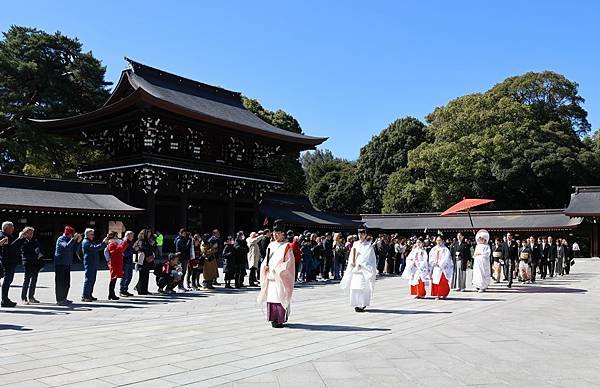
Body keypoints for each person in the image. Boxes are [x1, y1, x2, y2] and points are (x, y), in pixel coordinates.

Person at [257, 219, 295, 328]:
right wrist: (265, 267)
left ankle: (280, 319)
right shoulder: (271, 245)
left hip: (280, 277)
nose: (275, 235)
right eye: (274, 233)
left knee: (280, 298)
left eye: (278, 233)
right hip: (270, 277)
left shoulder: (287, 246)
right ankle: (273, 318)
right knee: (271, 299)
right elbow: (266, 260)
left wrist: (277, 269)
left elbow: (289, 263)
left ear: (283, 234)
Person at [340, 228, 377, 312]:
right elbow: (352, 255)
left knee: (362, 287)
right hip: (355, 269)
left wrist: (363, 265)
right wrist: (352, 263)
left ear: (365, 235)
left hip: (364, 270)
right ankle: (356, 304)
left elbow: (370, 259)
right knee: (355, 287)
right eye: (359, 234)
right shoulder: (355, 244)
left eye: (362, 234)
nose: (360, 236)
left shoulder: (369, 245)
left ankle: (362, 304)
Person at [54, 226, 82, 305]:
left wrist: (78, 242)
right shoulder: (61, 239)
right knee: (60, 282)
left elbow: (74, 249)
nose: (72, 236)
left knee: (67, 282)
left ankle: (64, 298)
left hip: (67, 263)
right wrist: (73, 239)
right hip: (60, 263)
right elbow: (66, 247)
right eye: (71, 234)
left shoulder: (70, 239)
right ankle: (59, 300)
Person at [1, 221, 25, 307]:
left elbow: (16, 246)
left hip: (11, 261)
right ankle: (4, 300)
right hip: (7, 261)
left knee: (9, 280)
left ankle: (5, 299)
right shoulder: (2, 235)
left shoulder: (9, 235)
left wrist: (22, 239)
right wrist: (19, 238)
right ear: (6, 228)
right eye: (12, 227)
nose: (13, 229)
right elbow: (10, 247)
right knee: (7, 280)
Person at [81, 228, 109, 302]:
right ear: (87, 234)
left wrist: (103, 243)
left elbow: (97, 247)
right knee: (88, 279)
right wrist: (103, 243)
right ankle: (85, 295)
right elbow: (95, 248)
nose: (93, 236)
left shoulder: (90, 241)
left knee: (92, 279)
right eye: (92, 234)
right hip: (89, 263)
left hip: (93, 263)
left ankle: (89, 294)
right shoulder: (86, 242)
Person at [20, 226, 44, 304]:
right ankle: (24, 298)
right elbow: (25, 253)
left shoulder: (35, 241)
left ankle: (31, 297)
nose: (31, 235)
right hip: (28, 263)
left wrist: (40, 254)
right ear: (25, 233)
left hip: (35, 263)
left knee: (34, 281)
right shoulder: (23, 241)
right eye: (29, 233)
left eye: (32, 233)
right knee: (26, 281)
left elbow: (40, 249)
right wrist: (36, 255)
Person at [107, 232, 129, 300]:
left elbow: (122, 249)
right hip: (114, 263)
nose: (117, 238)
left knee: (114, 279)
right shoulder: (111, 244)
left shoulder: (115, 243)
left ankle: (111, 294)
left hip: (117, 262)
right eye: (116, 236)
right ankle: (111, 294)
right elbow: (120, 249)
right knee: (113, 278)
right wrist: (124, 242)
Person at [133, 229, 155, 295]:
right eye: (148, 234)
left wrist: (152, 245)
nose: (149, 235)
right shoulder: (141, 241)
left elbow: (151, 248)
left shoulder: (148, 241)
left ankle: (145, 289)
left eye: (150, 234)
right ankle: (141, 290)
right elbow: (141, 249)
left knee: (146, 276)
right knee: (142, 276)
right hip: (143, 261)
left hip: (147, 260)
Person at [119, 231, 136, 297]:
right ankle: (122, 290)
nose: (133, 237)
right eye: (131, 236)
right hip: (125, 262)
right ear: (127, 236)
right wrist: (132, 250)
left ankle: (125, 289)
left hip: (129, 261)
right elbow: (123, 253)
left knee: (129, 276)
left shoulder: (129, 242)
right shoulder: (124, 242)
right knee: (124, 276)